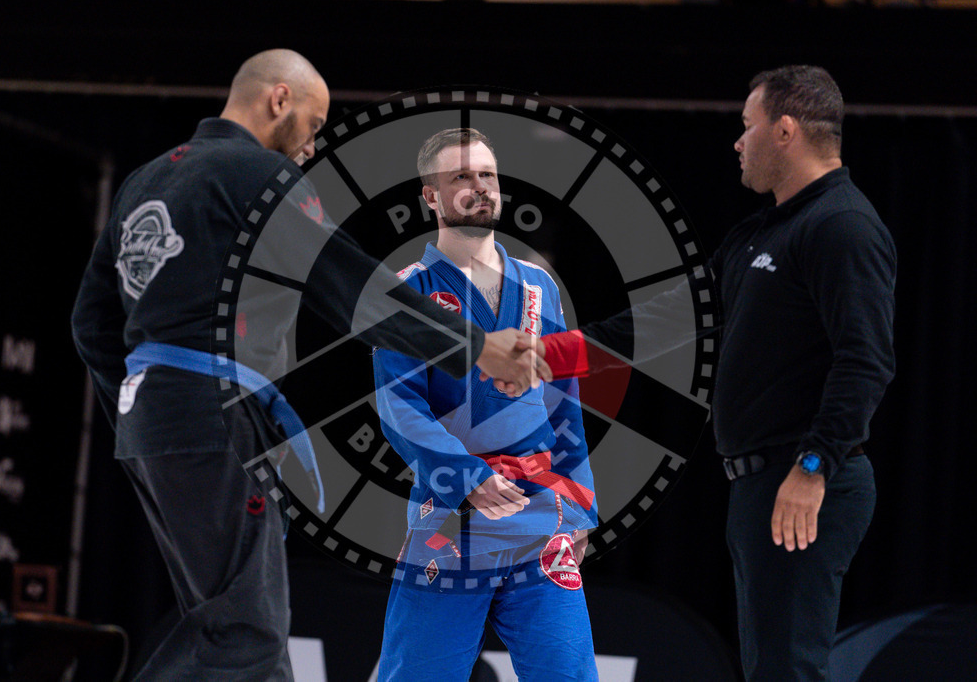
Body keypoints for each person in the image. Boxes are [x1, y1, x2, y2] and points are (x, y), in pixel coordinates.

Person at [71, 50, 547, 680]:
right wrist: (476, 345)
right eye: (314, 124)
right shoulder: (255, 174)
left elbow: (92, 324)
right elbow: (349, 285)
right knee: (245, 635)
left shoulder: (145, 180)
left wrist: (143, 407)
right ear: (278, 100)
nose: (312, 146)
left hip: (152, 422)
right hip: (216, 417)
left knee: (233, 630)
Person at [536, 66, 896, 681]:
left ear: (785, 130)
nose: (738, 141)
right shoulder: (767, 229)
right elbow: (674, 315)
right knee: (770, 666)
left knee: (788, 667)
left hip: (803, 482)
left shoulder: (841, 226)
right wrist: (553, 355)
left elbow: (866, 361)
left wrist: (814, 467)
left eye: (747, 126)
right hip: (761, 481)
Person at [372, 128, 599, 681]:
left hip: (540, 514)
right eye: (461, 178)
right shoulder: (408, 291)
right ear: (430, 197)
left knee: (569, 674)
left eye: (487, 175)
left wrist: (581, 501)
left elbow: (564, 401)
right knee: (417, 676)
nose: (480, 187)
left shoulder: (540, 287)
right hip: (451, 516)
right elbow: (400, 405)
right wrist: (464, 474)